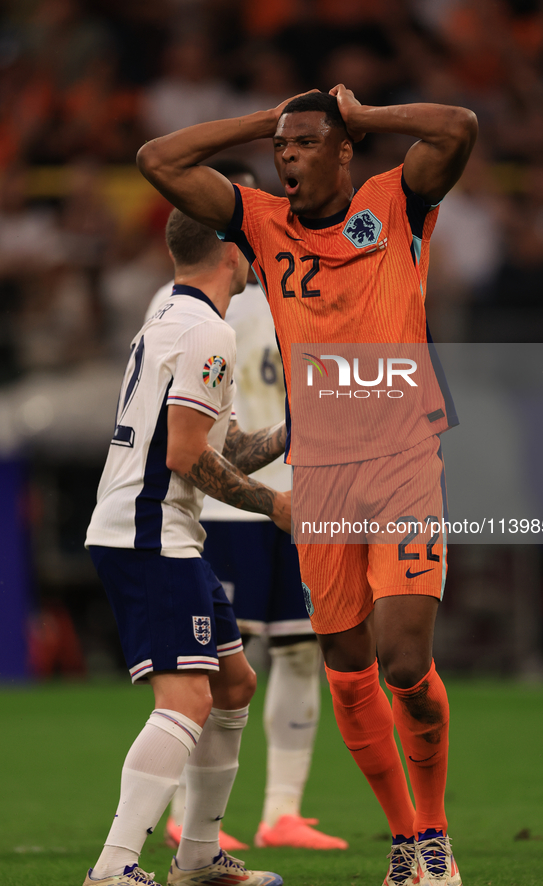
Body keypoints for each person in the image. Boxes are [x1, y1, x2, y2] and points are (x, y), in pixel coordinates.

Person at [137, 87, 478, 886]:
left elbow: (457, 126)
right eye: (280, 147)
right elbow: (158, 160)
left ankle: (434, 831)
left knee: (402, 664)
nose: (286, 157)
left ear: (342, 150)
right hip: (318, 475)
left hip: (402, 462)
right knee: (345, 659)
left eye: (303, 143)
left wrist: (367, 117)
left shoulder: (393, 204)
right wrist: (263, 121)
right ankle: (404, 843)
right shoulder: (259, 220)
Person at [84, 207, 291, 886]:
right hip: (150, 533)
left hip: (160, 530)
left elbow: (223, 445)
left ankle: (198, 856)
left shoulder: (175, 317)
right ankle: (115, 865)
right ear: (232, 250)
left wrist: (294, 431)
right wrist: (275, 506)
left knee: (234, 684)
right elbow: (183, 453)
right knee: (187, 701)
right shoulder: (209, 330)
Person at [147, 159, 347, 852]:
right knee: (217, 664)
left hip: (299, 493)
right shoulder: (192, 303)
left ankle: (281, 813)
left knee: (297, 652)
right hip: (228, 504)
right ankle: (184, 812)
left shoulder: (302, 289)